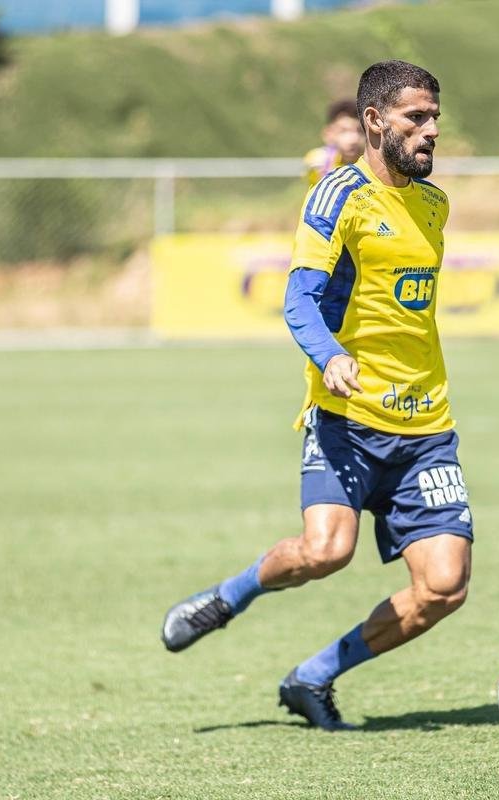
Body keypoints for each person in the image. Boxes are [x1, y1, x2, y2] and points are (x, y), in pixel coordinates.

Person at [161, 60, 472, 732]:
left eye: (435, 118)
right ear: (374, 122)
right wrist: (330, 358)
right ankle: (230, 595)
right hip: (345, 418)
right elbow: (298, 298)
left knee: (445, 586)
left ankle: (314, 677)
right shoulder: (337, 198)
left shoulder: (435, 205)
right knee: (326, 552)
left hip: (426, 427)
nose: (431, 131)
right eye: (417, 117)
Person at [303, 98, 364, 188]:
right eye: (344, 131)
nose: (354, 139)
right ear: (328, 134)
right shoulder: (319, 162)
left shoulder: (375, 166)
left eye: (360, 131)